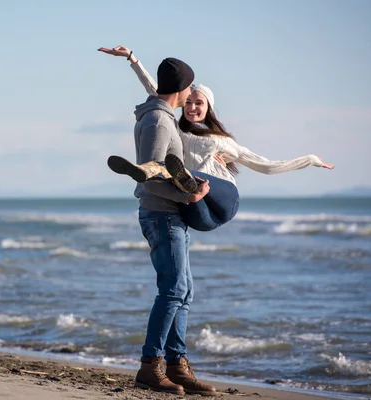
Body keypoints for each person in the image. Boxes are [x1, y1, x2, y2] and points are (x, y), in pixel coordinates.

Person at [99, 45, 334, 231]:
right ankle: (159, 173)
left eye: (198, 103)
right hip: (199, 206)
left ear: (208, 107)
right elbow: (159, 91)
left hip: (224, 200)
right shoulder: (173, 127)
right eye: (188, 102)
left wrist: (310, 159)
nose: (191, 107)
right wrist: (132, 58)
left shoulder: (219, 141)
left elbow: (267, 166)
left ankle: (159, 171)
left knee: (180, 174)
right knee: (184, 190)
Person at [121, 55, 217, 395]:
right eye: (189, 85)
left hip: (170, 215)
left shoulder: (163, 116)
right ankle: (150, 366)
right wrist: (188, 198)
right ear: (181, 88)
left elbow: (162, 170)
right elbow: (149, 179)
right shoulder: (159, 123)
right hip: (162, 214)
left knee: (184, 292)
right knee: (173, 290)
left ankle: (177, 365)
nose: (191, 91)